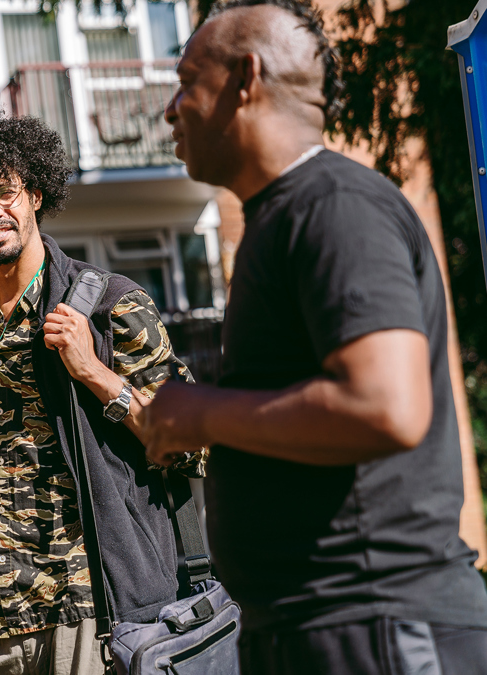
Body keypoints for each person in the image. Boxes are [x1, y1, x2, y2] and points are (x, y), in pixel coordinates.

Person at [142, 1, 487, 673]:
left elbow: (383, 405)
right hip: (315, 629)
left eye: (188, 80)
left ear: (245, 80)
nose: (170, 107)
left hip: (374, 626)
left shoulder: (332, 206)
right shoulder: (280, 218)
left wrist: (201, 412)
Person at [0, 113, 204, 675]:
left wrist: (94, 372)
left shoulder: (110, 306)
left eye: (5, 191)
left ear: (35, 196)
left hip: (92, 615)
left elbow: (193, 447)